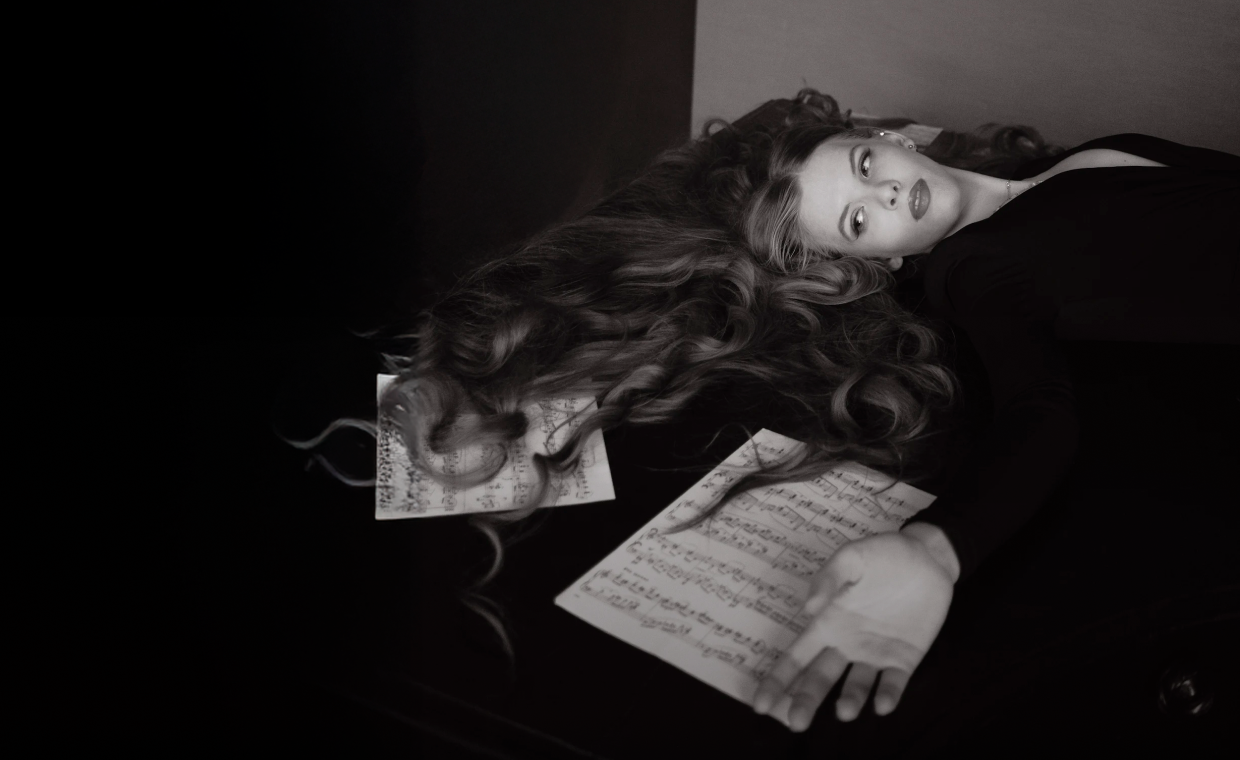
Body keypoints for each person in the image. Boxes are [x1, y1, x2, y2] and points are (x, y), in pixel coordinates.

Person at [301, 89, 1237, 730]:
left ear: (897, 137)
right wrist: (936, 549)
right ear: (880, 262)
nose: (884, 191)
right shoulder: (977, 267)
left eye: (865, 165)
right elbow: (1043, 410)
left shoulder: (1091, 154)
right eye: (861, 222)